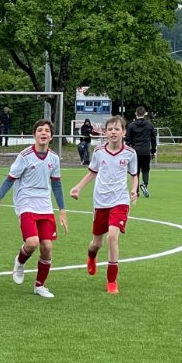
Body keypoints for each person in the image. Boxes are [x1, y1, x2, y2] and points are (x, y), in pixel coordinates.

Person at [0, 119, 69, 298]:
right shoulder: (24, 156)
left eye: (47, 130)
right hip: (26, 203)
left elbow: (56, 184)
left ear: (51, 136)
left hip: (45, 205)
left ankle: (40, 286)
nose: (43, 133)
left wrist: (62, 210)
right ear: (34, 135)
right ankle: (20, 262)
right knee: (32, 242)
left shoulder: (54, 158)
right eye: (40, 130)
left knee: (47, 247)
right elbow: (10, 179)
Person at [70, 115, 139, 294]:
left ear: (123, 132)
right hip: (100, 201)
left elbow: (134, 174)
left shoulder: (130, 153)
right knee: (97, 243)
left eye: (117, 129)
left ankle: (111, 281)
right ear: (105, 132)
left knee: (112, 237)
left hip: (120, 201)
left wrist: (134, 189)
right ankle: (91, 256)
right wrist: (78, 187)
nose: (113, 132)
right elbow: (92, 172)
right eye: (110, 129)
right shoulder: (99, 151)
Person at [126, 106, 157, 197]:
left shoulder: (131, 125)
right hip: (145, 151)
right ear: (145, 114)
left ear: (136, 113)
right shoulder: (149, 125)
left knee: (135, 171)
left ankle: (136, 190)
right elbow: (153, 139)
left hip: (134, 151)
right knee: (145, 170)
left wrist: (128, 151)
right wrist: (153, 150)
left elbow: (127, 140)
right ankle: (145, 184)